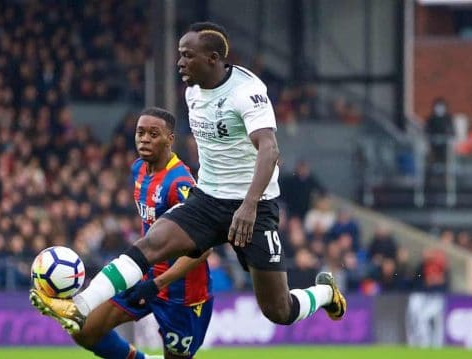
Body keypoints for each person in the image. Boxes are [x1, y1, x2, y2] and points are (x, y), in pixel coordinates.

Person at [30, 21, 346, 336]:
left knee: (278, 310)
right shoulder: (192, 92)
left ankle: (325, 293)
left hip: (255, 207)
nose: (179, 62)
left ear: (212, 58)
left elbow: (269, 149)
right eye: (180, 55)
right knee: (149, 245)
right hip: (207, 201)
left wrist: (249, 206)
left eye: (187, 55)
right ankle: (79, 306)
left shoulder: (247, 92)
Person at [70, 108, 213, 358]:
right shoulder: (139, 169)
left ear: (170, 139)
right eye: (140, 132)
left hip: (183, 295)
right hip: (145, 276)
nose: (144, 138)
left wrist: (159, 284)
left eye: (153, 134)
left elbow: (204, 248)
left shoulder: (180, 183)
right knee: (84, 330)